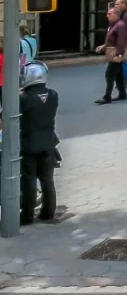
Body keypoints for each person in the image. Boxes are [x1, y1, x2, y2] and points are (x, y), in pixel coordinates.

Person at [18, 62, 58, 225]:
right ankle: (48, 212)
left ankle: (27, 216)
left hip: (28, 144)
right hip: (49, 142)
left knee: (28, 181)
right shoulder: (53, 94)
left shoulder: (23, 98)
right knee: (47, 179)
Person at [95, 6, 127, 104]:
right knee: (118, 74)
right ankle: (122, 94)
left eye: (109, 14)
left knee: (109, 74)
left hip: (116, 53)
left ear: (116, 14)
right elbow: (112, 39)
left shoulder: (120, 25)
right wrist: (103, 46)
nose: (107, 16)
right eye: (107, 14)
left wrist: (119, 55)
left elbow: (121, 41)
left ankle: (107, 96)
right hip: (113, 52)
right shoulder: (113, 25)